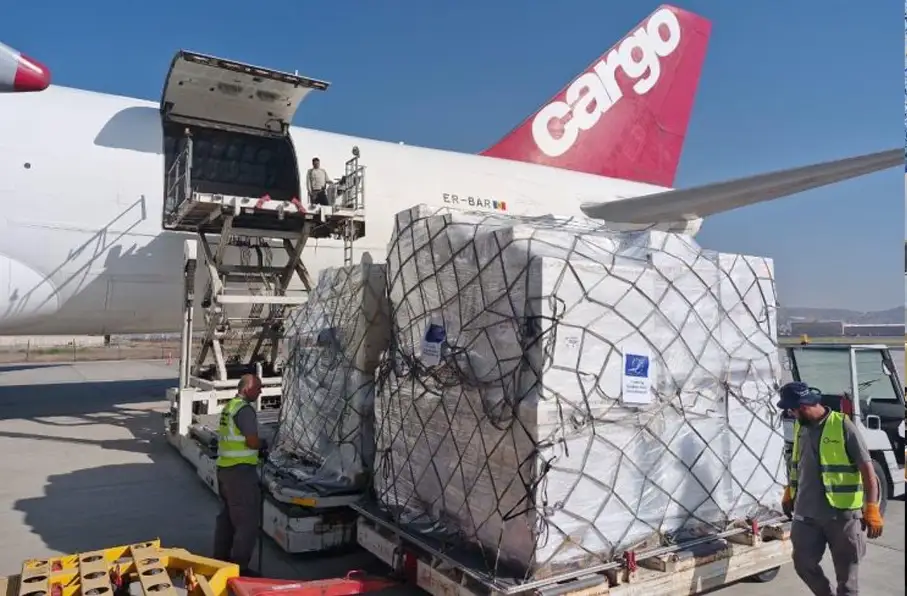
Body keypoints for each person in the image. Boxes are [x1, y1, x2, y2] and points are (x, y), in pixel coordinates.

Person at [778, 381, 884, 596]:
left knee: (847, 580)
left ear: (803, 406)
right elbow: (797, 463)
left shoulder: (842, 425)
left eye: (791, 409)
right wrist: (790, 490)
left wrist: (872, 508)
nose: (790, 414)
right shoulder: (801, 427)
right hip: (807, 514)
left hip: (842, 517)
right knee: (803, 564)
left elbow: (868, 471)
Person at [213, 374, 266, 575]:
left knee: (227, 519)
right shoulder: (245, 410)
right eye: (258, 388)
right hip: (240, 473)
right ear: (247, 389)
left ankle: (220, 560)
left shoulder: (230, 406)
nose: (260, 391)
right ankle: (239, 569)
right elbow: (252, 442)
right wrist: (263, 444)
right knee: (247, 523)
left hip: (225, 469)